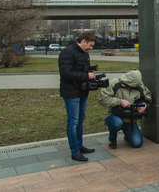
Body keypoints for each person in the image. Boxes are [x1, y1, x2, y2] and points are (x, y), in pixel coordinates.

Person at [58, 32, 97, 162]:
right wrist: (86, 76)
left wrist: (89, 74)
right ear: (83, 41)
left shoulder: (84, 53)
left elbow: (81, 70)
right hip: (71, 92)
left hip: (82, 91)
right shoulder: (67, 53)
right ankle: (74, 151)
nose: (91, 48)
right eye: (90, 45)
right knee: (73, 121)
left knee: (80, 119)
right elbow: (66, 73)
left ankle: (79, 146)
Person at [98, 70, 152, 149]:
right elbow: (102, 99)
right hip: (114, 115)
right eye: (132, 85)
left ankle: (127, 134)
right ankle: (112, 139)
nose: (134, 87)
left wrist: (144, 103)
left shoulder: (139, 85)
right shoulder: (114, 84)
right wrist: (119, 102)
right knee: (117, 124)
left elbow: (148, 94)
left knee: (137, 143)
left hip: (129, 118)